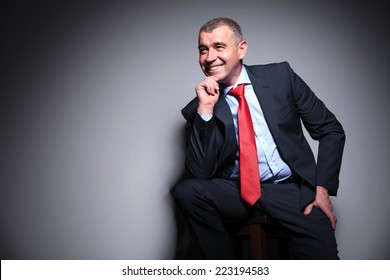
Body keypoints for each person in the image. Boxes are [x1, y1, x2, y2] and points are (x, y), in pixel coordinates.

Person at [173, 17, 345, 260]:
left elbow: (331, 129)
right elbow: (199, 173)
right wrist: (206, 111)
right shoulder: (199, 107)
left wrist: (322, 188)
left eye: (219, 47)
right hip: (236, 192)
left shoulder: (280, 77)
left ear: (241, 49)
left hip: (290, 189)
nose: (209, 57)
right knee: (187, 191)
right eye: (203, 50)